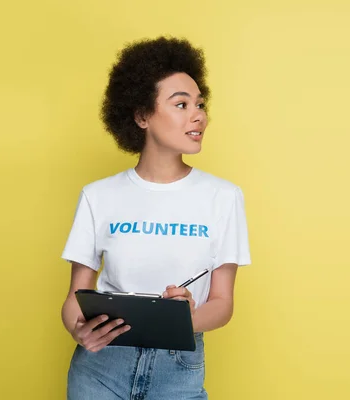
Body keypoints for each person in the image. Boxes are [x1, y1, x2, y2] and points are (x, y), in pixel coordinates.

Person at [60, 36, 251, 399]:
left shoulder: (223, 197)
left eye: (199, 104)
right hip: (101, 366)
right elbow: (74, 298)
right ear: (142, 115)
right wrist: (78, 330)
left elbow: (223, 304)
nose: (198, 115)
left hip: (178, 370)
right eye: (181, 104)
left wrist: (180, 320)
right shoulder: (98, 196)